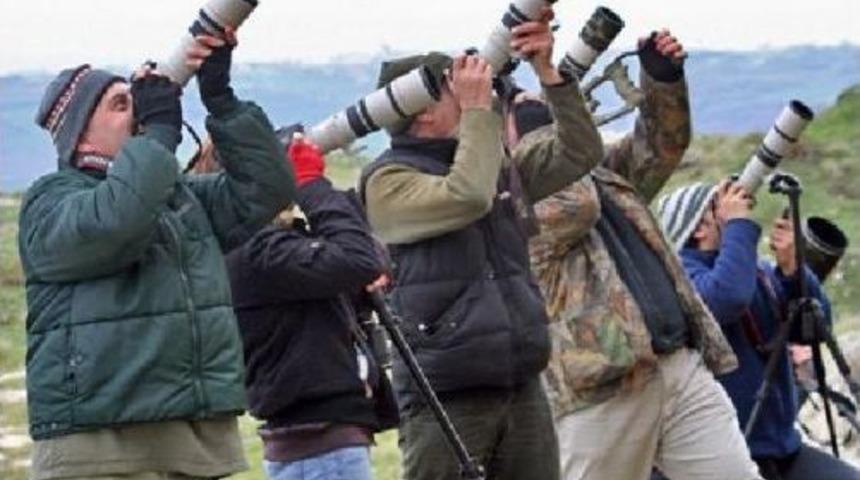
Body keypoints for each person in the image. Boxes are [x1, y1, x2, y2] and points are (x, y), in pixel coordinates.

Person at [19, 29, 294, 480]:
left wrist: (220, 99)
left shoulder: (180, 200)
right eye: (121, 104)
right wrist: (160, 132)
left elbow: (267, 191)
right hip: (101, 447)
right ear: (80, 136)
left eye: (139, 101)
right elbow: (118, 221)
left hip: (191, 441)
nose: (141, 113)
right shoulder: (51, 201)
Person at [359, 7, 603, 480]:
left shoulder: (489, 158)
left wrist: (550, 74)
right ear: (424, 110)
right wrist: (478, 112)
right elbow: (467, 196)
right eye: (456, 86)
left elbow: (580, 152)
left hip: (520, 379)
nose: (478, 91)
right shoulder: (387, 180)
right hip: (446, 394)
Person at [524, 31, 763, 479]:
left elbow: (662, 147)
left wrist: (662, 78)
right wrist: (550, 105)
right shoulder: (509, 200)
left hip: (676, 364)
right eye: (518, 110)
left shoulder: (598, 174)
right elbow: (575, 205)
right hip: (600, 388)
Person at [656, 180, 860, 480]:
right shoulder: (680, 278)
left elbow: (812, 330)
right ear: (698, 228)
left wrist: (793, 272)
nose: (736, 207)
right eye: (719, 206)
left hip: (781, 446)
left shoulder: (757, 271)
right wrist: (739, 224)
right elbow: (727, 298)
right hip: (721, 456)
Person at [225, 136, 398, 480]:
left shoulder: (254, 248)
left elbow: (366, 257)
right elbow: (358, 258)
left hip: (315, 443)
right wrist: (312, 185)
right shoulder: (262, 252)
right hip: (321, 447)